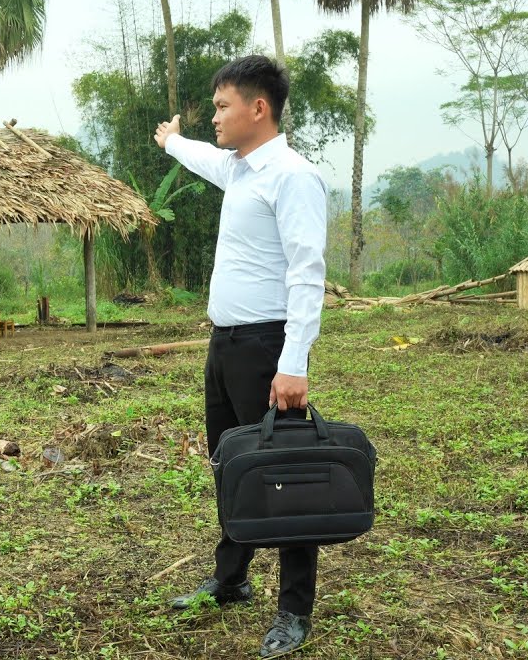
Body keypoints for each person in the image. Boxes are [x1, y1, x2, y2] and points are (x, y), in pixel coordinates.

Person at [153, 55, 327, 658]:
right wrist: (173, 141)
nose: (217, 117)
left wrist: (294, 361)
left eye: (224, 105)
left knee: (285, 473)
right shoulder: (241, 170)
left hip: (266, 347)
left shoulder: (292, 176)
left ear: (259, 108)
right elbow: (204, 156)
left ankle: (294, 609)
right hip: (224, 344)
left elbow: (307, 274)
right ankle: (231, 580)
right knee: (230, 464)